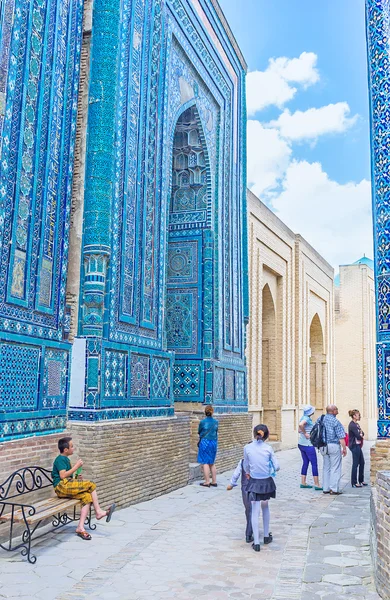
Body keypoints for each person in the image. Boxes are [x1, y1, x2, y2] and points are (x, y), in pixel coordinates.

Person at [52, 437, 116, 540]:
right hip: (61, 486)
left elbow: (68, 477)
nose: (74, 448)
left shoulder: (65, 459)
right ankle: (98, 512)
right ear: (65, 450)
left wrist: (77, 478)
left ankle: (80, 527)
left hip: (66, 485)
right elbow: (63, 476)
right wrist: (76, 466)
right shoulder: (60, 459)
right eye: (72, 446)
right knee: (90, 484)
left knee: (86, 496)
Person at [243, 424, 280, 552]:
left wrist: (248, 472)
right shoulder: (268, 449)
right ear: (267, 435)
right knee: (265, 507)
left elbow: (246, 465)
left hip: (254, 481)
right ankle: (265, 536)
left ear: (254, 434)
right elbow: (277, 466)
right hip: (266, 481)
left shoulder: (247, 448)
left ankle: (257, 543)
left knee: (255, 510)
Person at [319, 405, 347, 495]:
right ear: (333, 411)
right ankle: (334, 489)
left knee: (326, 467)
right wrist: (344, 448)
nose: (338, 411)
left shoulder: (321, 418)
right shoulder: (335, 421)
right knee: (335, 467)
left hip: (323, 446)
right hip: (333, 445)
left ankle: (325, 488)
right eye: (337, 409)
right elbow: (341, 437)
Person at [227, 457, 253, 543]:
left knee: (248, 509)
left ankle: (249, 532)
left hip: (245, 488)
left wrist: (231, 483)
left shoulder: (242, 462)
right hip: (255, 487)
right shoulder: (258, 460)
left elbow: (236, 474)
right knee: (252, 510)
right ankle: (250, 532)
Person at [298, 405, 322, 490]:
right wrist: (306, 433)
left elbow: (299, 429)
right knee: (314, 464)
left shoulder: (303, 417)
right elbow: (301, 425)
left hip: (301, 444)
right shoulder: (306, 419)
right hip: (308, 445)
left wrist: (303, 432)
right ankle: (317, 484)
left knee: (305, 462)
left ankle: (303, 482)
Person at [198, 405, 219, 487]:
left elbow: (199, 431)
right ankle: (214, 481)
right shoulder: (216, 422)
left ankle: (207, 481)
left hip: (205, 442)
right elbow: (216, 431)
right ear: (212, 412)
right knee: (212, 462)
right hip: (213, 442)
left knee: (205, 462)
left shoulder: (202, 422)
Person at [348, 409, 368, 488]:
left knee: (362, 462)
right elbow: (358, 436)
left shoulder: (357, 424)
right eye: (358, 415)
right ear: (354, 416)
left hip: (358, 446)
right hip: (354, 446)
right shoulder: (352, 425)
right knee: (355, 463)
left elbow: (362, 433)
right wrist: (361, 435)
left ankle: (361, 480)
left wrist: (361, 434)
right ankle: (354, 481)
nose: (359, 416)